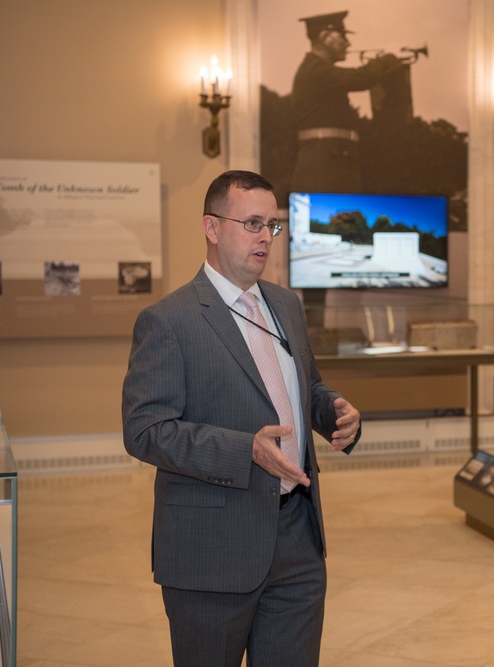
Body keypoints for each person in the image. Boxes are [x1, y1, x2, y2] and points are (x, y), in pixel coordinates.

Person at [121, 170, 362, 666]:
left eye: (271, 226)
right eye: (252, 223)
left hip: (297, 538)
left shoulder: (286, 305)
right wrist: (243, 449)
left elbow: (306, 384)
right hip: (212, 550)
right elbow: (145, 430)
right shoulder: (169, 320)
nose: (264, 238)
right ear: (211, 227)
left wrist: (331, 409)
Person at [289, 11, 403, 194]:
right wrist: (389, 57)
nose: (348, 43)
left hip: (331, 160)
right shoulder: (315, 71)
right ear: (325, 37)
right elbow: (361, 78)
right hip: (325, 164)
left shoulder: (316, 70)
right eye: (342, 36)